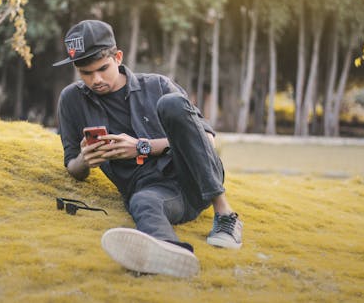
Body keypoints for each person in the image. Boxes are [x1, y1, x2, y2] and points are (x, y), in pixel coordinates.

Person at [54, 20, 243, 278]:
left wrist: (141, 147)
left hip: (194, 179)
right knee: (142, 203)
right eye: (85, 73)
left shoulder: (157, 85)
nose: (95, 79)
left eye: (102, 69)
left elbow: (207, 142)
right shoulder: (71, 100)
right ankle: (171, 254)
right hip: (152, 192)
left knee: (173, 103)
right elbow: (73, 167)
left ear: (118, 57)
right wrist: (85, 159)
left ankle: (225, 214)